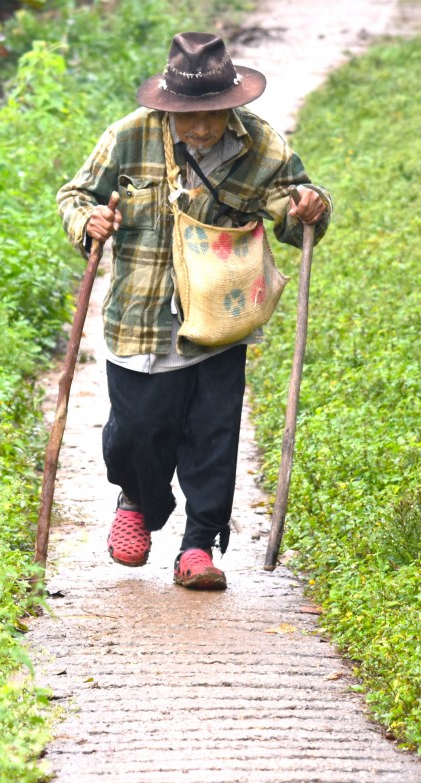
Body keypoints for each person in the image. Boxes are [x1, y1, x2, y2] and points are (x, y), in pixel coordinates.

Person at [56, 32, 330, 590]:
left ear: (233, 102)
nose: (203, 127)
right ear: (167, 105)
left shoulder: (260, 145)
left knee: (213, 434)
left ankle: (199, 545)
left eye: (214, 114)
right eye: (189, 116)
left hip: (222, 317)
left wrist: (309, 205)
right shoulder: (128, 137)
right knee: (137, 434)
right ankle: (138, 498)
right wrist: (88, 221)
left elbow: (294, 200)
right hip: (141, 317)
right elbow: (75, 194)